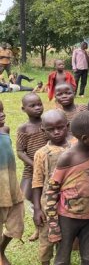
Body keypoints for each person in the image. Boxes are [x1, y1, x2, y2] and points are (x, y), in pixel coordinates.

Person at [45, 111, 89, 265]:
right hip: (68, 217)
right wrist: (53, 225)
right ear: (86, 139)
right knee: (63, 254)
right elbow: (52, 190)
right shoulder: (68, 157)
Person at [31, 110, 71, 265]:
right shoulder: (41, 153)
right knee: (46, 240)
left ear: (67, 126)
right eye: (51, 129)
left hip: (69, 204)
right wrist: (37, 209)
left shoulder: (74, 148)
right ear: (43, 130)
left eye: (60, 127)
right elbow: (37, 182)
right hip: (48, 205)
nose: (56, 132)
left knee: (66, 240)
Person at [16, 93, 47, 241]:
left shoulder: (47, 122)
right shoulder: (23, 128)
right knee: (26, 196)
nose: (37, 108)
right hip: (31, 169)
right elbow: (20, 152)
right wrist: (35, 164)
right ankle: (38, 227)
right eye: (32, 105)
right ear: (23, 109)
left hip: (49, 167)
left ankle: (46, 228)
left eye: (39, 104)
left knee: (45, 197)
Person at [0, 110, 25, 265]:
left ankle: (1, 250)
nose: (1, 114)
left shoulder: (5, 130)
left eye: (1, 110)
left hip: (11, 186)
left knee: (16, 222)